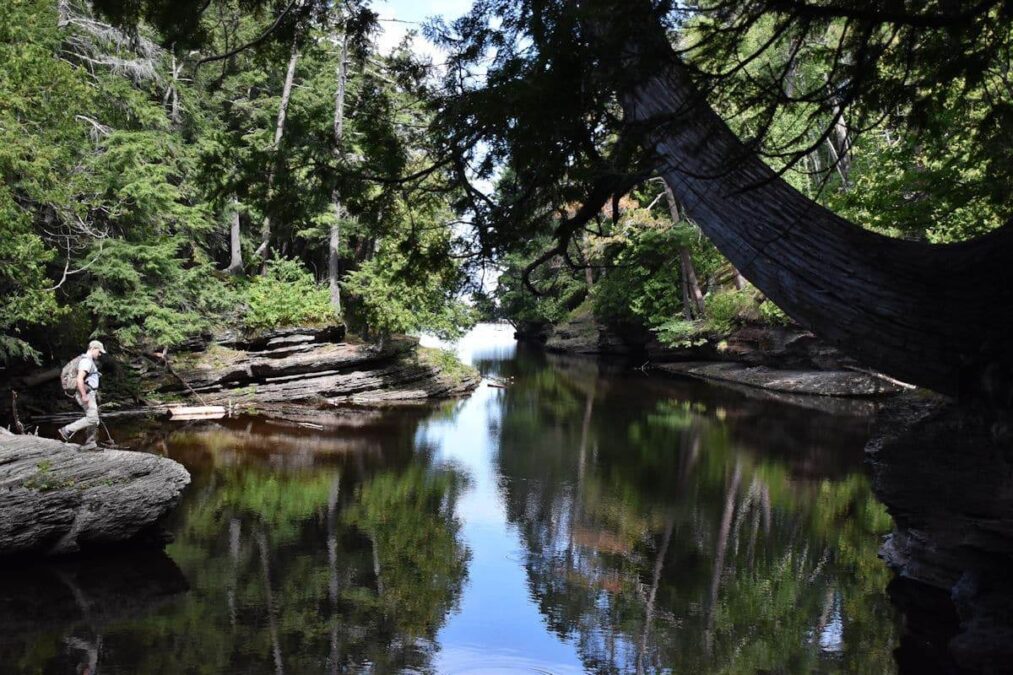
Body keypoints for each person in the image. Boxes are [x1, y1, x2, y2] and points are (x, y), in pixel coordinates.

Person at [58, 340, 106, 450]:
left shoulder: (87, 361)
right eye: (99, 351)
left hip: (89, 393)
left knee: (94, 419)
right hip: (86, 393)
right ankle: (67, 430)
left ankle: (91, 444)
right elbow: (80, 379)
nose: (99, 354)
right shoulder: (86, 362)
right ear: (93, 348)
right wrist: (84, 395)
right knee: (93, 418)